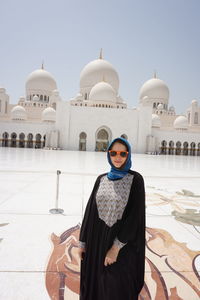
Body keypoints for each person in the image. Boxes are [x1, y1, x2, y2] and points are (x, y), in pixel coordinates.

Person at [78, 137, 145, 300]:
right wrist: (82, 242)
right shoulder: (101, 178)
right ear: (109, 154)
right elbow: (90, 212)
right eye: (113, 152)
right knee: (96, 284)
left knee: (116, 286)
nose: (118, 157)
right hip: (96, 242)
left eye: (123, 153)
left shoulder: (135, 179)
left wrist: (115, 248)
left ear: (128, 155)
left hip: (121, 246)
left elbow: (134, 217)